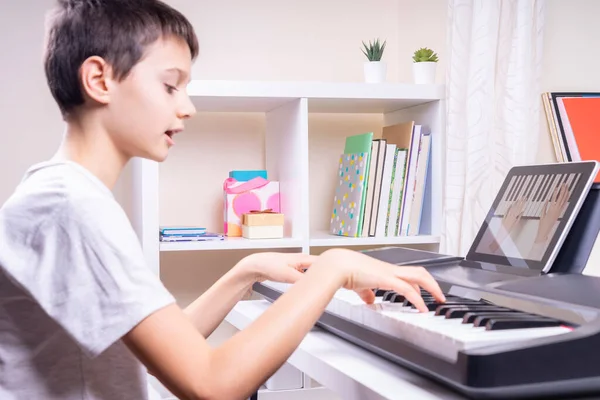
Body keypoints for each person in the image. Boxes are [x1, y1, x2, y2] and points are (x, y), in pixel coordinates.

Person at [0, 1, 445, 399]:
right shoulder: (69, 207)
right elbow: (210, 384)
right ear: (99, 79)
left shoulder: (66, 196)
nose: (188, 107)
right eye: (171, 86)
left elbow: (167, 353)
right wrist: (334, 267)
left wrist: (244, 270)